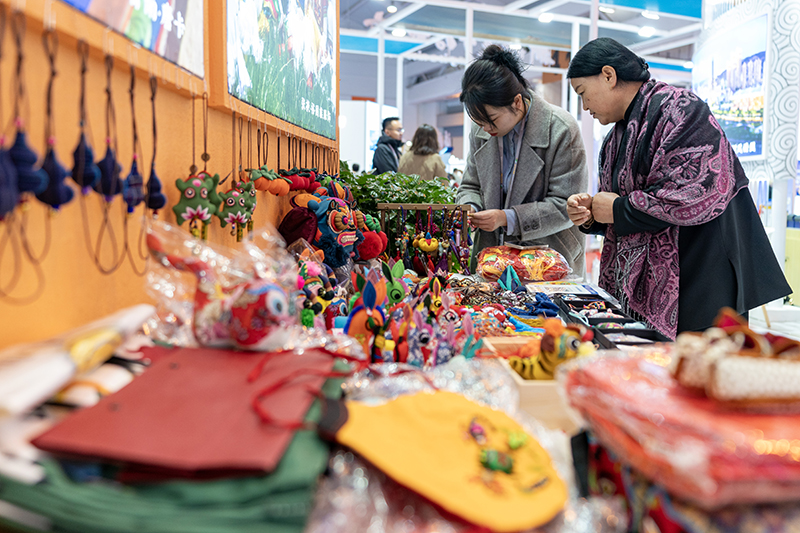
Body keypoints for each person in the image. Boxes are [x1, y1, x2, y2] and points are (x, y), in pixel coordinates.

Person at [565, 37, 791, 339]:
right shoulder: (617, 136)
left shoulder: (682, 109)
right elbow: (624, 206)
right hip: (659, 283)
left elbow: (689, 195)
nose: (584, 106)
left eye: (583, 92)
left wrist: (616, 209)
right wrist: (592, 214)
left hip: (703, 273)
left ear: (608, 75)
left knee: (703, 361)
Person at [456, 45, 588, 275]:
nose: (485, 128)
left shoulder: (561, 129)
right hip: (492, 259)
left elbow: (566, 206)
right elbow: (470, 185)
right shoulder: (482, 129)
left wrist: (507, 218)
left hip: (548, 260)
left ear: (517, 102)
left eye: (492, 119)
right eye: (479, 122)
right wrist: (470, 208)